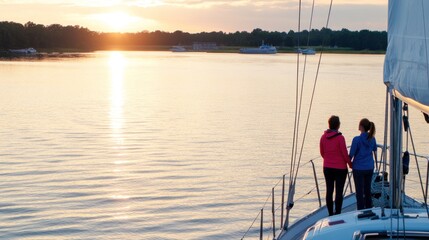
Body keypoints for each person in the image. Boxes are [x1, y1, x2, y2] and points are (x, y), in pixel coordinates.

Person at [320, 115, 352, 216]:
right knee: (339, 191)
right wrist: (350, 164)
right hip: (340, 169)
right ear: (338, 125)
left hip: (327, 167)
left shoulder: (323, 137)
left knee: (329, 190)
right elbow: (344, 154)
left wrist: (328, 160)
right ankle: (337, 212)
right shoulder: (340, 138)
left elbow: (322, 152)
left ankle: (330, 213)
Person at [349, 118, 377, 210]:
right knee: (367, 190)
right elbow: (375, 151)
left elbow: (351, 154)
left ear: (361, 126)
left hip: (358, 168)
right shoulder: (372, 139)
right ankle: (369, 208)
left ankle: (361, 210)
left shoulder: (356, 140)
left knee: (359, 191)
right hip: (369, 167)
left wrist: (348, 162)